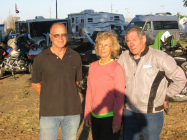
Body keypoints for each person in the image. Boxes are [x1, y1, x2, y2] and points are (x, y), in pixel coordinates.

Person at [118, 26, 187, 140]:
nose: (131, 44)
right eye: (128, 41)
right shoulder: (124, 57)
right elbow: (117, 79)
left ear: (143, 39)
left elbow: (181, 79)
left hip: (151, 113)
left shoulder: (159, 57)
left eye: (134, 40)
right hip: (129, 112)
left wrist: (166, 95)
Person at [31, 23, 82, 140]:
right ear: (50, 37)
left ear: (67, 36)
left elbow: (76, 82)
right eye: (56, 35)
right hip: (49, 112)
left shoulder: (75, 57)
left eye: (63, 35)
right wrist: (48, 97)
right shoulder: (41, 58)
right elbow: (35, 82)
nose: (60, 38)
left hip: (72, 112)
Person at [84, 31, 125, 140]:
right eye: (100, 45)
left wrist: (117, 120)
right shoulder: (93, 66)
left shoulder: (117, 68)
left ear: (112, 48)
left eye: (106, 45)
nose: (102, 48)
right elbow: (89, 92)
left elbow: (119, 96)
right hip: (94, 117)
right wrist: (87, 113)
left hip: (109, 118)